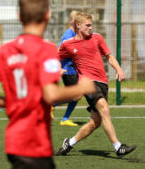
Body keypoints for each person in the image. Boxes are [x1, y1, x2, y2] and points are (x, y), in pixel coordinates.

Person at [0, 0, 95, 169]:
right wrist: (81, 88)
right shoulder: (46, 49)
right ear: (47, 15)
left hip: (14, 141)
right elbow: (50, 94)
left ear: (19, 16)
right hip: (36, 143)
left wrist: (7, 104)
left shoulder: (6, 50)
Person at [56, 12, 136, 158]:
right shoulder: (68, 44)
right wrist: (58, 69)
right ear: (78, 25)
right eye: (87, 25)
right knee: (105, 109)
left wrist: (119, 70)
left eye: (91, 25)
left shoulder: (97, 38)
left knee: (95, 123)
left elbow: (109, 57)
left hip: (103, 83)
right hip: (88, 83)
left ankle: (69, 142)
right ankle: (118, 147)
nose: (90, 28)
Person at [58, 10, 81, 126]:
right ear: (71, 21)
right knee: (76, 95)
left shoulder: (77, 34)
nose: (78, 22)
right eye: (76, 20)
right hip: (68, 69)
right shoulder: (68, 35)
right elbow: (59, 52)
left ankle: (65, 119)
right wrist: (59, 67)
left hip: (75, 68)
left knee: (77, 95)